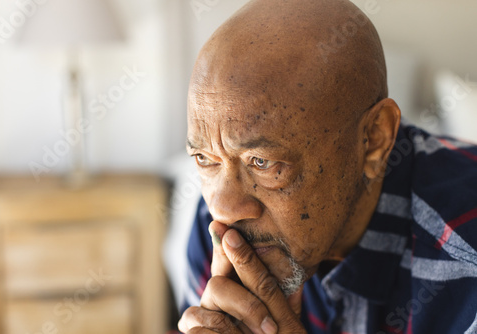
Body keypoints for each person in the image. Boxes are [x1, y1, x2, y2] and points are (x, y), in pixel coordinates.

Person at [177, 0, 477, 333]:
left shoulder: (466, 256)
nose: (223, 208)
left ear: (374, 139)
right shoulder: (217, 226)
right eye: (205, 159)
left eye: (262, 162)